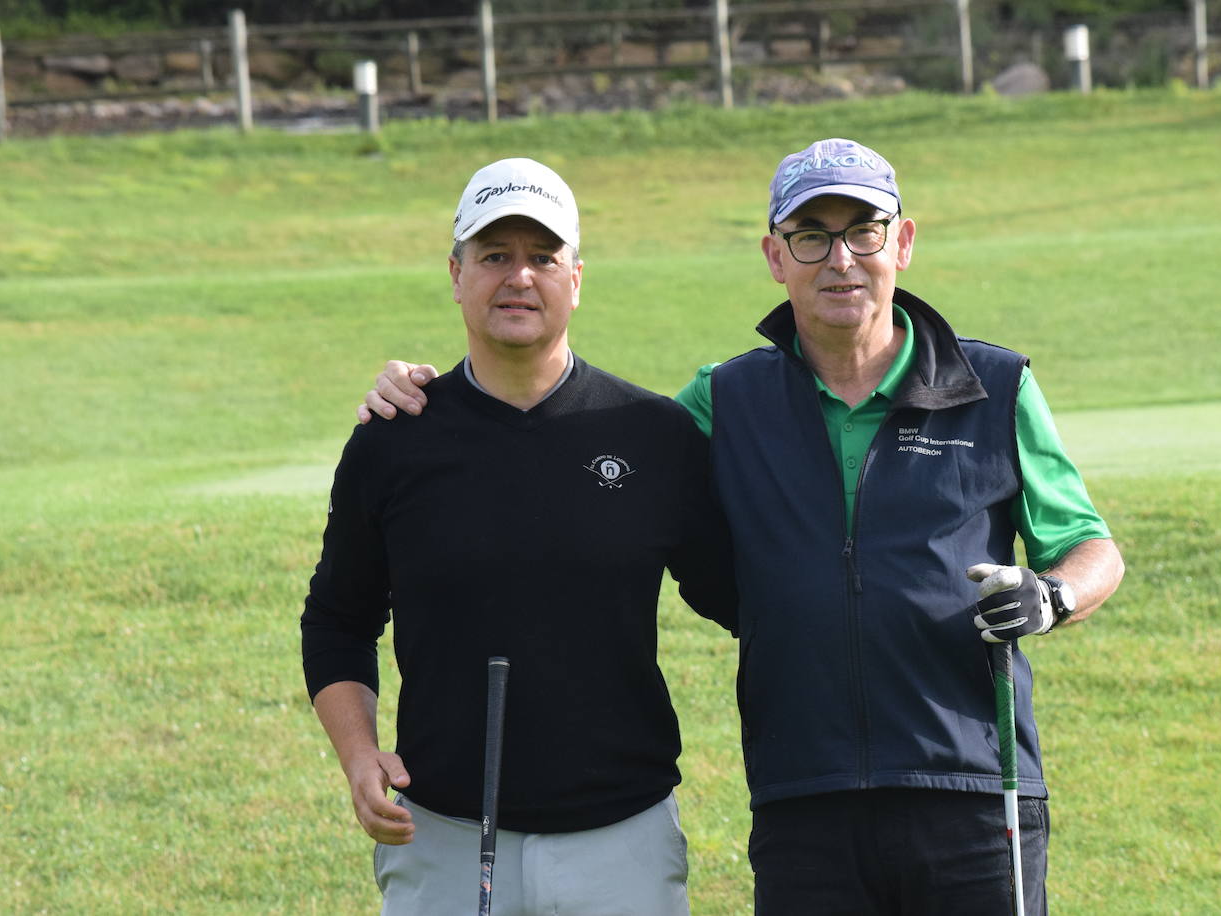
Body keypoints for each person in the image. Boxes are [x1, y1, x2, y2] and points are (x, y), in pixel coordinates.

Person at [362, 139, 1125, 914]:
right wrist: (433, 402)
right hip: (803, 796)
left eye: (864, 231)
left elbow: (1091, 548)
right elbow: (589, 439)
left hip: (971, 785)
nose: (841, 259)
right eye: (810, 237)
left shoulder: (994, 387)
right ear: (774, 256)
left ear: (902, 242)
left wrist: (1053, 596)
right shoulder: (726, 399)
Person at [302, 157, 737, 916]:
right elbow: (338, 619)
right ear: (456, 273)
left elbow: (742, 597)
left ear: (576, 277)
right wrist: (358, 756)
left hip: (622, 836)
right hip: (439, 833)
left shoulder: (654, 435)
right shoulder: (393, 439)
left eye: (542, 257)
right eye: (494, 255)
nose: (519, 277)